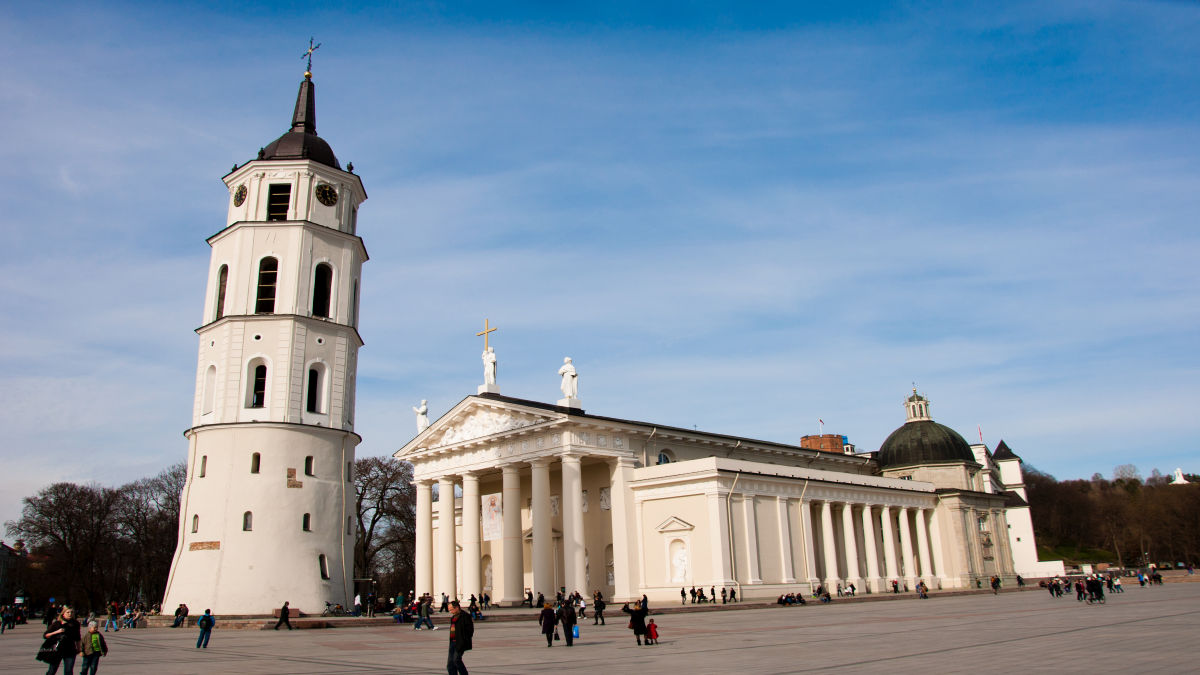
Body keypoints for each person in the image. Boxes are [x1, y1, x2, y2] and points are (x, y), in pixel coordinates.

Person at [42, 606, 81, 675]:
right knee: (52, 670)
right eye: (68, 612)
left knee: (69, 671)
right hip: (57, 650)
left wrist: (79, 648)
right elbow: (45, 635)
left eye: (71, 612)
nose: (70, 614)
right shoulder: (57, 623)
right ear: (63, 614)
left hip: (70, 650)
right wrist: (57, 632)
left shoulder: (76, 623)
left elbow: (77, 637)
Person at [446, 600, 473, 675]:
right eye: (449, 610)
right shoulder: (453, 617)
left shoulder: (465, 616)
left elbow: (470, 631)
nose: (451, 612)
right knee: (450, 665)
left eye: (451, 609)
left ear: (457, 608)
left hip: (460, 642)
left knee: (456, 660)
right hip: (452, 642)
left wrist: (464, 640)